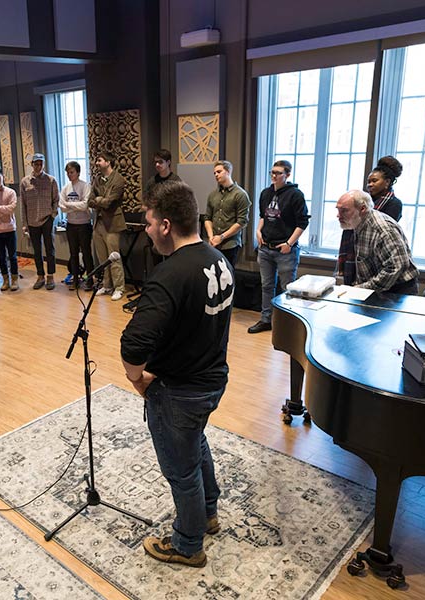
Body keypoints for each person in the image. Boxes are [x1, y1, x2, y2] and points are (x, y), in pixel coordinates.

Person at [121, 180, 234, 568]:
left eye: (150, 222)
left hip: (180, 391)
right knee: (195, 443)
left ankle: (188, 544)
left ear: (166, 225)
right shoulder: (219, 259)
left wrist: (138, 380)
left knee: (181, 469)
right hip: (212, 380)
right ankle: (209, 512)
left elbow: (133, 346)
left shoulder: (169, 276)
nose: (148, 230)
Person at [248, 160, 309, 334]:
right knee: (266, 286)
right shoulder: (265, 193)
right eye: (272, 172)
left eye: (278, 173)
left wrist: (289, 243)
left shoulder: (295, 194)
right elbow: (263, 216)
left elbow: (302, 222)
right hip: (266, 247)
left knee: (288, 287)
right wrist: (258, 231)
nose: (274, 176)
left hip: (285, 250)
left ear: (287, 175)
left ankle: (288, 325)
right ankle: (266, 319)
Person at [336, 190, 419, 294]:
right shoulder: (358, 223)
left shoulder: (383, 229)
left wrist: (361, 289)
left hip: (398, 290)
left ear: (362, 209)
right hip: (378, 287)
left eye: (344, 210)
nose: (338, 216)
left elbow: (396, 267)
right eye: (338, 210)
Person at [89, 152, 127, 301]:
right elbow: (89, 201)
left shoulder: (118, 179)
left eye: (99, 160)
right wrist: (99, 200)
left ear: (108, 162)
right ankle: (107, 285)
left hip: (112, 224)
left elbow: (109, 202)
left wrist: (98, 200)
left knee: (114, 258)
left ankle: (119, 287)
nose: (97, 163)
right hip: (98, 223)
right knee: (103, 258)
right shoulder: (97, 179)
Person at [19, 153, 58, 290]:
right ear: (32, 164)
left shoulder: (51, 180)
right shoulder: (25, 182)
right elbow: (22, 205)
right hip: (32, 222)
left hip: (47, 219)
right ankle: (40, 276)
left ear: (44, 164)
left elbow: (56, 200)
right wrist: (24, 224)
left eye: (41, 163)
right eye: (36, 163)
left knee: (50, 249)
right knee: (36, 251)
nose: (39, 166)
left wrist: (53, 216)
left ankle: (50, 276)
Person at [204, 160, 251, 267]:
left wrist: (221, 237)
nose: (216, 175)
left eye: (219, 172)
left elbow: (242, 222)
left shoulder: (240, 194)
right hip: (213, 243)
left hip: (230, 244)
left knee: (228, 276)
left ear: (228, 171)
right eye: (214, 173)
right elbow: (207, 218)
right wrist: (211, 237)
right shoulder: (213, 194)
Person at [59, 161, 94, 291]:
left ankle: (90, 280)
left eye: (72, 172)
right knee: (73, 254)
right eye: (67, 172)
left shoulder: (85, 186)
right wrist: (75, 206)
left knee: (86, 253)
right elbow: (62, 207)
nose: (69, 174)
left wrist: (69, 205)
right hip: (71, 225)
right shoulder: (65, 188)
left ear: (78, 172)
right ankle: (75, 279)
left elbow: (85, 205)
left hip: (84, 225)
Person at [367, 156, 404, 221]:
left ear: (387, 182)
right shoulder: (365, 200)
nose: (370, 184)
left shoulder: (394, 204)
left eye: (374, 181)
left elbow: (385, 228)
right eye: (369, 181)